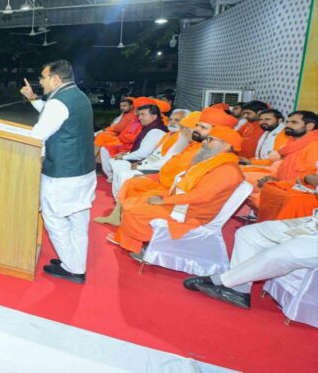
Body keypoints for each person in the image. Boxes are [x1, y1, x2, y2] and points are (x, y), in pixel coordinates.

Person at [111, 126, 246, 258]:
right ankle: (135, 242)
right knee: (134, 201)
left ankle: (154, 246)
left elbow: (201, 196)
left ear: (226, 145)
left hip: (192, 212)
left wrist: (164, 201)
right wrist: (165, 197)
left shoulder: (227, 170)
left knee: (134, 211)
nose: (204, 141)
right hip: (185, 202)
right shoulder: (213, 162)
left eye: (210, 139)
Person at [19, 60, 96, 284]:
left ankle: (73, 268)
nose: (40, 82)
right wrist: (33, 98)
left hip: (63, 174)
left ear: (55, 79)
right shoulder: (78, 96)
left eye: (43, 78)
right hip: (84, 172)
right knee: (78, 221)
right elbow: (55, 116)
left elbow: (37, 136)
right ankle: (76, 262)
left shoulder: (58, 102)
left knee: (54, 218)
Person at [183, 215, 317, 309]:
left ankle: (222, 280)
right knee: (247, 234)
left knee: (276, 256)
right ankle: (239, 290)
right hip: (312, 223)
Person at [254, 111, 318, 221]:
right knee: (267, 188)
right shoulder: (293, 144)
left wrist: (279, 184)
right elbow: (288, 171)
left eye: (294, 122)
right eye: (287, 122)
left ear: (309, 126)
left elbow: (310, 182)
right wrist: (274, 179)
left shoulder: (314, 146)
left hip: (302, 194)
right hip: (287, 188)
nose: (287, 125)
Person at [101, 101, 168, 182]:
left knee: (116, 162)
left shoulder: (155, 131)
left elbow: (143, 153)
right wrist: (127, 153)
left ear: (154, 116)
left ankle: (115, 180)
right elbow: (122, 132)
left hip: (147, 163)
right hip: (135, 153)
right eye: (139, 115)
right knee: (109, 152)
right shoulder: (149, 127)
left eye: (143, 115)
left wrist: (124, 157)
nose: (139, 118)